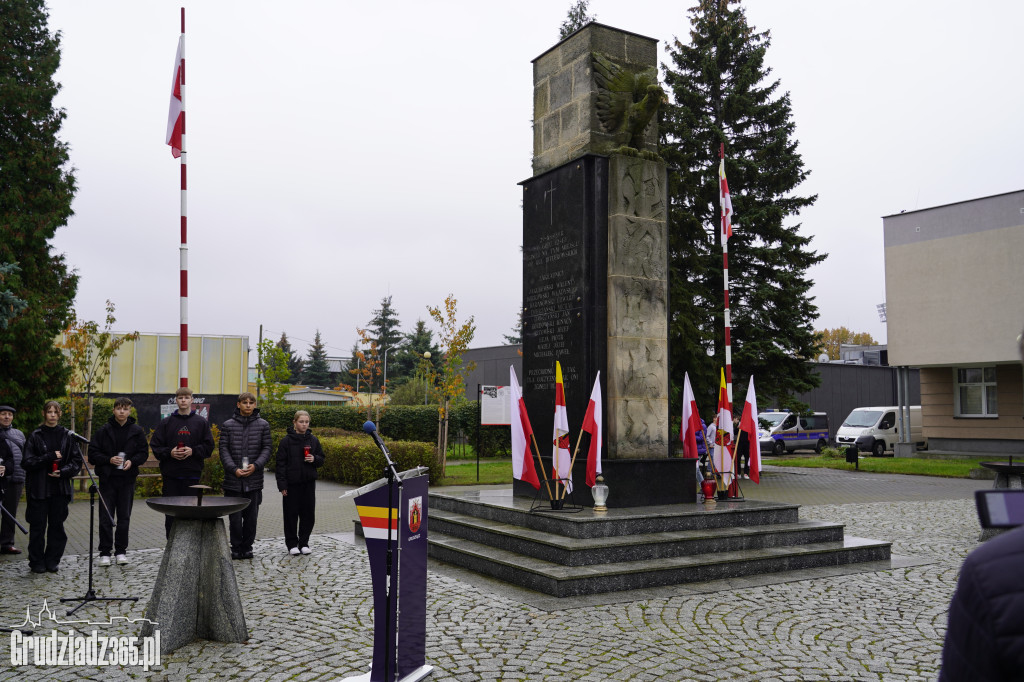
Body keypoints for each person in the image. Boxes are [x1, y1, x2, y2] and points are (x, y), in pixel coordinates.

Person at [21, 401, 83, 573]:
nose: (53, 415)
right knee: (38, 528)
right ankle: (36, 562)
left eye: (55, 412)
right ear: (44, 414)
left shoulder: (67, 436)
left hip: (60, 489)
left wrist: (63, 472)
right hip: (39, 490)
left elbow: (76, 462)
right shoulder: (35, 435)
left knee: (57, 527)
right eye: (49, 412)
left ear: (60, 414)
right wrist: (47, 457)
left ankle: (52, 560)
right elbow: (26, 462)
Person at [88, 397, 149, 566]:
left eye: (125, 409)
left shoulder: (137, 431)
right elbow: (93, 454)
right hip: (107, 480)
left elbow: (143, 452)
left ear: (130, 411)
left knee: (124, 517)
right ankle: (105, 552)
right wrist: (108, 460)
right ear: (114, 410)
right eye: (118, 408)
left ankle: (121, 551)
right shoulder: (103, 430)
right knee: (105, 517)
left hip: (127, 480)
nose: (122, 411)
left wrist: (132, 461)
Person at [150, 387, 214, 538]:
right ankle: (172, 545)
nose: (183, 400)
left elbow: (209, 447)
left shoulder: (201, 423)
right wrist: (169, 452)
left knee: (192, 513)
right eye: (180, 398)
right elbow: (156, 447)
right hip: (171, 476)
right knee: (171, 514)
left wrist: (193, 451)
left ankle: (192, 544)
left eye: (186, 397)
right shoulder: (166, 423)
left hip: (192, 475)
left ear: (192, 400)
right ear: (176, 400)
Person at [219, 392, 271, 560]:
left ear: (255, 405)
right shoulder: (228, 425)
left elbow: (267, 449)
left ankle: (247, 547)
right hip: (233, 480)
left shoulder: (263, 425)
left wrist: (256, 466)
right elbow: (223, 450)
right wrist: (233, 469)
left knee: (251, 518)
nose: (248, 405)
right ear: (238, 404)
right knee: (234, 518)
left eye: (251, 402)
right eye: (245, 402)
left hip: (254, 480)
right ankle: (235, 547)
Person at [275, 410, 325, 555]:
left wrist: (314, 459)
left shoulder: (313, 440)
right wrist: (282, 485)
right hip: (291, 485)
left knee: (308, 515)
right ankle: (291, 544)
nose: (304, 425)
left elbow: (322, 458)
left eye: (306, 422)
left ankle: (304, 543)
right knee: (291, 515)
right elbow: (280, 465)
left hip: (308, 483)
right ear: (294, 422)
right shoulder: (286, 441)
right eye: (301, 422)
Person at [0, 404, 26, 554]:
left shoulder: (19, 434)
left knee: (10, 513)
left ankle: (7, 544)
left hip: (16, 477)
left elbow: (26, 455)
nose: (6, 417)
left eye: (9, 415)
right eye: (3, 414)